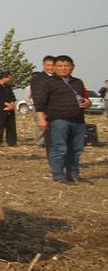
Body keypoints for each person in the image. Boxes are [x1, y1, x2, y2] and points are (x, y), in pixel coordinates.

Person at [33, 55, 92, 184]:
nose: (63, 68)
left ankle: (74, 174)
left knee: (76, 149)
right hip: (58, 119)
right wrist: (41, 119)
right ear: (54, 68)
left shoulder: (78, 82)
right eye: (60, 66)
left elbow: (85, 98)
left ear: (72, 67)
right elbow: (39, 103)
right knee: (59, 147)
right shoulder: (47, 82)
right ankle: (59, 176)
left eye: (66, 66)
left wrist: (88, 103)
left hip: (78, 120)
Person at [28, 56, 57, 148]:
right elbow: (37, 95)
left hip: (56, 107)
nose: (50, 67)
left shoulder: (59, 77)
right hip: (42, 107)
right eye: (48, 65)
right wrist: (41, 110)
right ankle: (41, 143)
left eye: (52, 65)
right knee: (41, 125)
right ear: (43, 65)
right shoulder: (38, 78)